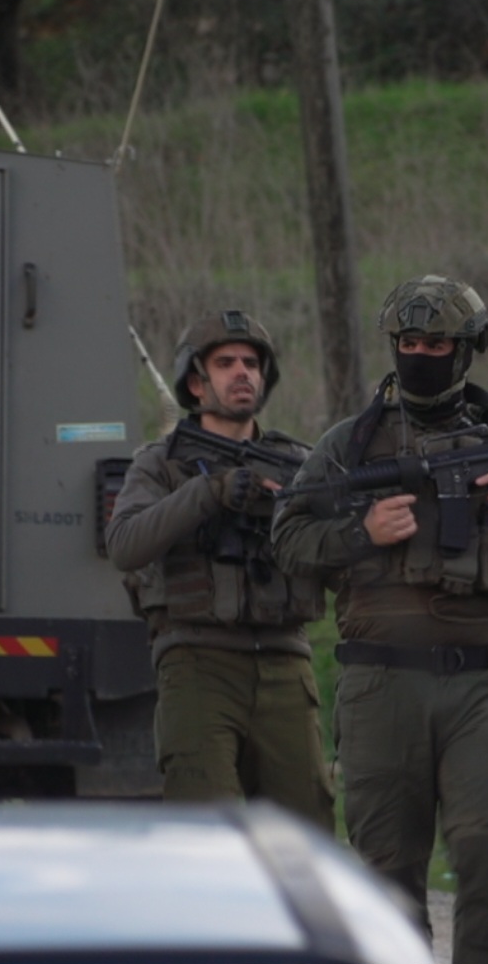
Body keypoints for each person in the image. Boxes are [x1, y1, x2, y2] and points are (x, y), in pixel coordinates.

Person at [272, 275, 488, 964]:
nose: (421, 355)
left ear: (467, 350)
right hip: (381, 682)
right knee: (387, 868)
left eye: (437, 344)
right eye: (410, 343)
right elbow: (287, 540)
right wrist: (361, 532)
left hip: (482, 680)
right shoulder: (349, 445)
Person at [104, 311, 334, 831]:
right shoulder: (161, 463)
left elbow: (339, 559)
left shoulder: (299, 463)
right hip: (197, 664)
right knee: (205, 834)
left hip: (285, 665)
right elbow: (124, 545)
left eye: (251, 363)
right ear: (195, 382)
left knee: (306, 834)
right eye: (225, 363)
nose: (242, 373)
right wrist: (209, 493)